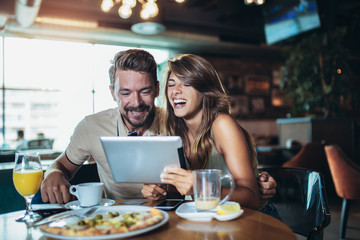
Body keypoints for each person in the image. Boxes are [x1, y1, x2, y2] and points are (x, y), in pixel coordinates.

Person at [40, 49, 276, 204]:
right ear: (112, 93)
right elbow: (61, 165)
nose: (136, 102)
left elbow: (233, 185)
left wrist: (257, 182)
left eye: (144, 91)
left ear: (154, 89)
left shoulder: (178, 122)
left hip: (214, 219)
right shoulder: (92, 126)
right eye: (125, 93)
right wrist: (52, 172)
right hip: (128, 218)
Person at [141, 54, 267, 209]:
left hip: (252, 220)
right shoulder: (173, 130)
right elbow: (179, 195)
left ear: (205, 90)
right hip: (210, 220)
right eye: (171, 84)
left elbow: (252, 198)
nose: (176, 91)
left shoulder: (222, 125)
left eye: (186, 84)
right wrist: (160, 192)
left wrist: (201, 187)